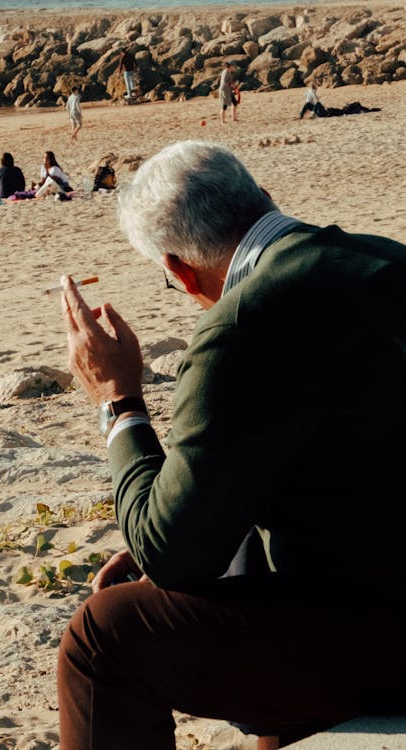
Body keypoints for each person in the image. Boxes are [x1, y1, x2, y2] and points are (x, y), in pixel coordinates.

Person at [57, 140, 406, 750]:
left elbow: (171, 553)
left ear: (180, 272)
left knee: (103, 637)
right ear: (264, 199)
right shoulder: (387, 259)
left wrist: (118, 400)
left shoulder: (244, 325)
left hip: (384, 630)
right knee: (250, 556)